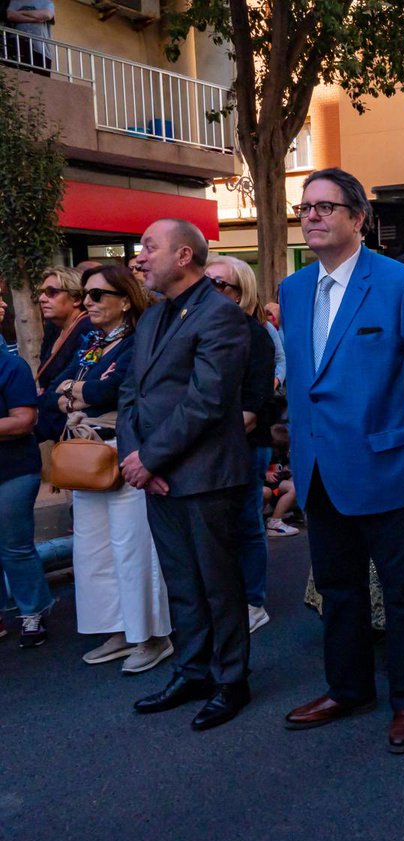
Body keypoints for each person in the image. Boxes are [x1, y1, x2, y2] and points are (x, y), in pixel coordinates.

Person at [280, 169, 404, 755]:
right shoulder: (294, 289)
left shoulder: (401, 284)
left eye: (326, 207)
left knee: (403, 593)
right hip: (320, 470)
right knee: (338, 588)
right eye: (305, 207)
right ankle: (347, 689)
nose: (312, 216)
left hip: (391, 467)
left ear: (359, 218)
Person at [118, 218, 252, 731]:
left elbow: (208, 401)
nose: (139, 257)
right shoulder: (152, 319)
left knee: (219, 583)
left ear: (183, 257)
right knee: (181, 581)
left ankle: (232, 681)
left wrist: (151, 460)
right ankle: (192, 670)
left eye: (149, 247)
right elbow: (132, 392)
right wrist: (139, 462)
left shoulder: (221, 316)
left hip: (205, 475)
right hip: (157, 474)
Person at [62, 265, 172, 673]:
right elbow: (66, 380)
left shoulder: (140, 340)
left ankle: (151, 635)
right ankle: (117, 629)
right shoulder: (92, 341)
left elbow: (109, 389)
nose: (87, 302)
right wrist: (77, 393)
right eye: (85, 295)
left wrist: (77, 394)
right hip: (87, 454)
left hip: (124, 451)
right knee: (92, 550)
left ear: (125, 300)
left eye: (97, 295)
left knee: (133, 548)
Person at [206, 255, 277, 634]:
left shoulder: (255, 334)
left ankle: (253, 601)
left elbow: (253, 407)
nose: (213, 291)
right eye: (207, 283)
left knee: (247, 522)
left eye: (221, 284)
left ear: (241, 292)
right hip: (209, 447)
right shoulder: (201, 331)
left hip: (245, 444)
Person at [0, 347, 54, 647]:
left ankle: (32, 612)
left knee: (14, 546)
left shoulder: (10, 365)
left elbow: (24, 420)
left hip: (13, 470)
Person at [34, 266, 88, 442]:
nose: (42, 299)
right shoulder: (53, 328)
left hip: (76, 429)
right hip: (53, 423)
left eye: (51, 292)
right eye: (41, 292)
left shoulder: (87, 328)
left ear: (77, 298)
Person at [3, 0, 53, 72]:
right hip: (18, 43)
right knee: (16, 76)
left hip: (41, 50)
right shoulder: (16, 1)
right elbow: (10, 15)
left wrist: (21, 12)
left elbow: (47, 15)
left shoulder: (46, 2)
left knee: (41, 81)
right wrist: (34, 19)